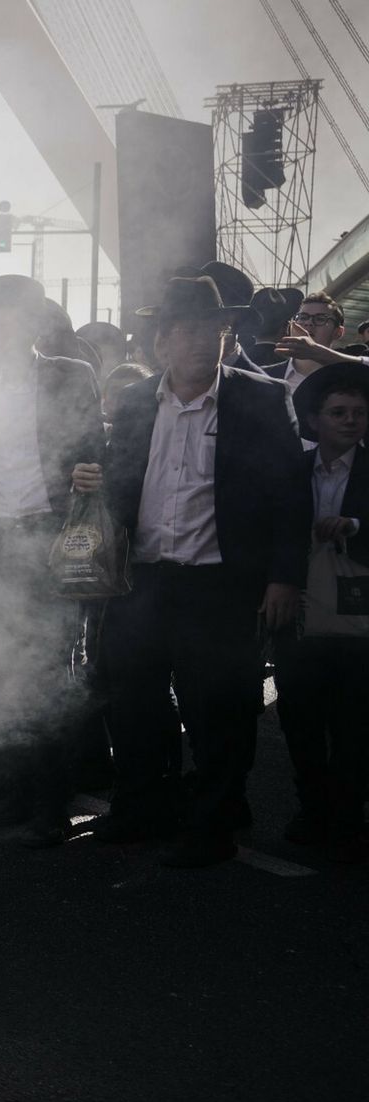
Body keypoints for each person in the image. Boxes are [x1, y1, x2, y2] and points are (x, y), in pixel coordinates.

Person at [78, 275, 310, 866]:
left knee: (220, 710)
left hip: (220, 585)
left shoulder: (258, 398)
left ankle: (214, 823)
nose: (201, 342)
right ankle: (141, 808)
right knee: (135, 704)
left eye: (213, 329)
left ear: (227, 336)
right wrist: (91, 481)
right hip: (143, 580)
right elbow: (121, 482)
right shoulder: (133, 403)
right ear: (160, 344)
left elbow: (290, 495)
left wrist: (284, 579)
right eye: (185, 331)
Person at [0, 275, 104, 843]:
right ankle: (16, 789)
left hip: (49, 532)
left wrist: (86, 481)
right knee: (1, 668)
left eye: (8, 315)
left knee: (48, 669)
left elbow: (93, 454)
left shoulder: (70, 374)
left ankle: (52, 802)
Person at [272, 363, 369, 861]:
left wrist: (353, 525)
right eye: (338, 413)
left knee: (355, 722)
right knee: (302, 717)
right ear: (315, 420)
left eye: (358, 412)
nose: (350, 421)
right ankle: (314, 807)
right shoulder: (293, 470)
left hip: (360, 618)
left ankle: (349, 814)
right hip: (300, 612)